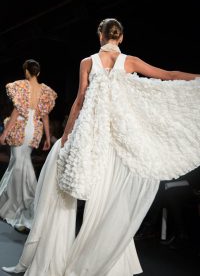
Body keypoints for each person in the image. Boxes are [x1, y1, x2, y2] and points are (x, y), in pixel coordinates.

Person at [2, 18, 200, 276]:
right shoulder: (130, 62)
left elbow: (79, 100)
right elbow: (170, 76)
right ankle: (108, 261)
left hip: (89, 137)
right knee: (108, 201)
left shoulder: (88, 62)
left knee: (59, 192)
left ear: (100, 36)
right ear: (120, 38)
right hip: (114, 143)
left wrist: (66, 135)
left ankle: (55, 257)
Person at [0, 59, 57, 233]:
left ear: (26, 71)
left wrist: (4, 133)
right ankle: (8, 203)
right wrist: (47, 137)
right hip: (34, 129)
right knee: (17, 163)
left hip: (20, 126)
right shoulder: (45, 91)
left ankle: (28, 203)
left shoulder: (21, 87)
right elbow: (45, 116)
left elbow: (17, 110)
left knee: (19, 164)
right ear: (38, 73)